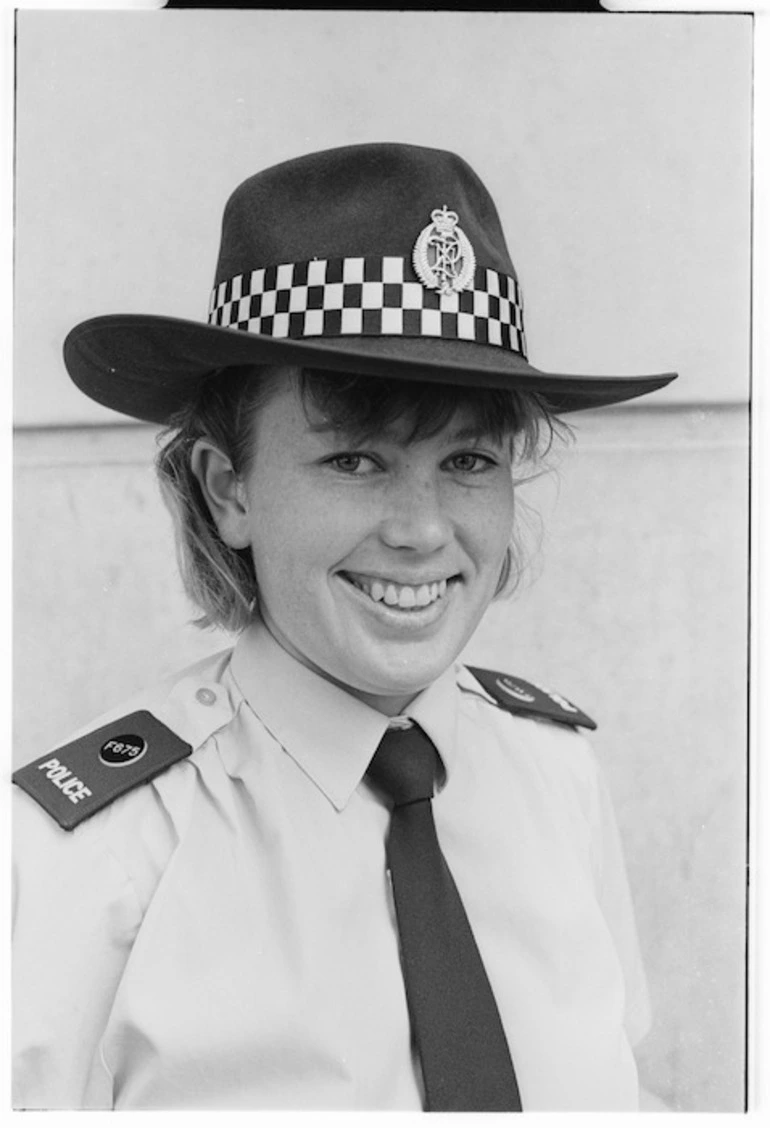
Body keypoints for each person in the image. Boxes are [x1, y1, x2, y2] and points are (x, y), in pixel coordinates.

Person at [12, 142, 677, 1111]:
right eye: (354, 462)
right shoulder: (88, 856)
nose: (419, 531)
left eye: (468, 462)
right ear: (227, 485)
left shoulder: (556, 777)